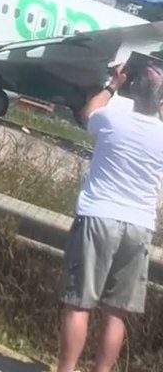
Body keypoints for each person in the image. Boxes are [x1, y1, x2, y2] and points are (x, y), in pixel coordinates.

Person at [57, 57, 163, 372]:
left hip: (99, 215)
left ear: (131, 89)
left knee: (78, 303)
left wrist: (112, 84)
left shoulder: (113, 119)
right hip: (139, 226)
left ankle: (66, 369)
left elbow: (89, 113)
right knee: (116, 313)